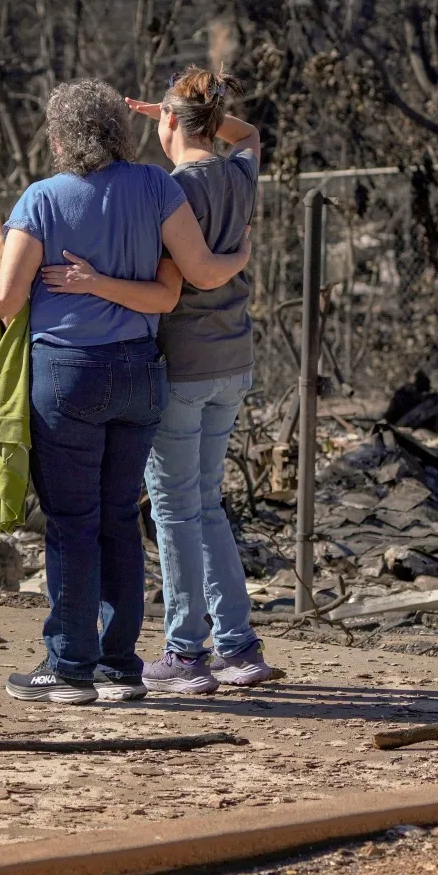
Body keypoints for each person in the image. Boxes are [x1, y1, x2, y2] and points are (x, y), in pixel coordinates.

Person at [0, 80, 249, 704]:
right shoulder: (158, 187)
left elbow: (6, 300)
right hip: (141, 373)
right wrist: (238, 256)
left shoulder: (41, 200)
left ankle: (69, 664)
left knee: (71, 524)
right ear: (120, 132)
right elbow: (184, 281)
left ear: (59, 139)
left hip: (68, 375)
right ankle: (120, 664)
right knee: (119, 520)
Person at [44, 68, 278, 692]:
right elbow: (250, 132)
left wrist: (228, 261)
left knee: (174, 509)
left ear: (171, 123)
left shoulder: (173, 188)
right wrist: (183, 113)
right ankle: (238, 646)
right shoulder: (240, 172)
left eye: (162, 123)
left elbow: (189, 279)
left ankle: (186, 652)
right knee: (207, 502)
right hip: (235, 360)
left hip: (182, 364)